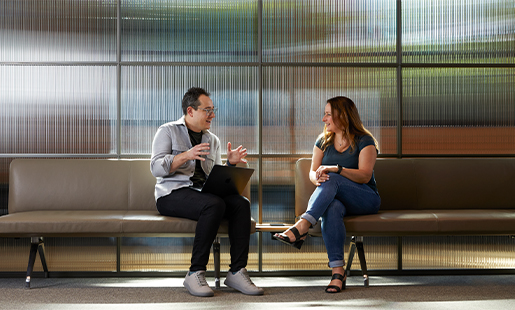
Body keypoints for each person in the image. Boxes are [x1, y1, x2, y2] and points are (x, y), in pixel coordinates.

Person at [150, 87, 263, 297]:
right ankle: (195, 272)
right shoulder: (167, 131)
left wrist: (229, 163)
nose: (212, 115)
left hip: (202, 195)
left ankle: (237, 271)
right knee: (214, 204)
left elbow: (212, 176)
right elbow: (156, 168)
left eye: (213, 109)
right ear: (190, 111)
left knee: (241, 203)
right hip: (171, 194)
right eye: (207, 110)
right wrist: (185, 155)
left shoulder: (212, 139)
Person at [272, 96, 381, 293]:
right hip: (337, 200)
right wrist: (319, 177)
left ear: (343, 115)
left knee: (334, 177)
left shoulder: (366, 141)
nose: (324, 118)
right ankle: (338, 273)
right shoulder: (323, 141)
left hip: (365, 198)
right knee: (332, 207)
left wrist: (336, 169)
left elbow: (365, 176)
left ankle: (302, 225)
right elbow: (313, 173)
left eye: (328, 114)